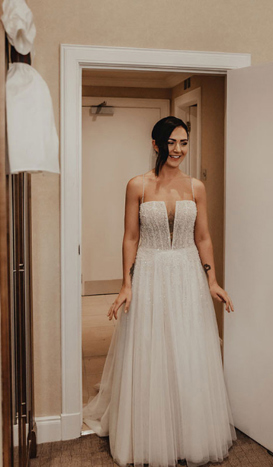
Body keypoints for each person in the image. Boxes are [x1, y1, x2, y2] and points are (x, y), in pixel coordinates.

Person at [83, 116, 236, 467]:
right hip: (150, 272)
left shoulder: (196, 187)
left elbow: (203, 238)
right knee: (151, 349)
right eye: (171, 142)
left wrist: (212, 281)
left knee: (187, 349)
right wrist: (126, 283)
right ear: (156, 145)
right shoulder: (137, 185)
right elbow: (131, 237)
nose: (178, 149)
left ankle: (187, 432)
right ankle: (149, 434)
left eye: (183, 142)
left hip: (186, 275)